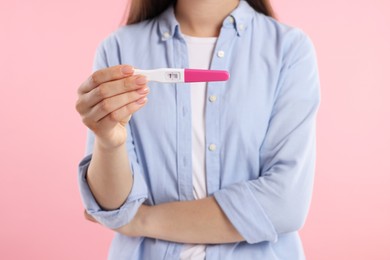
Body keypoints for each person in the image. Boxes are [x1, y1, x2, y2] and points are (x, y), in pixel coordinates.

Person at [76, 0, 320, 259]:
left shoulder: (289, 49)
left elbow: (284, 205)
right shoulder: (119, 49)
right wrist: (108, 142)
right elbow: (115, 207)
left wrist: (142, 221)